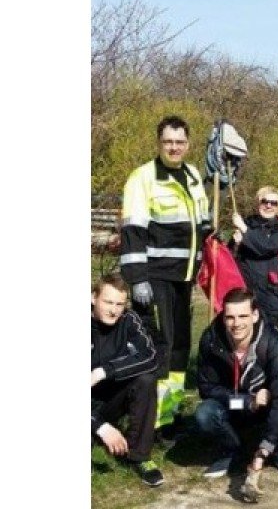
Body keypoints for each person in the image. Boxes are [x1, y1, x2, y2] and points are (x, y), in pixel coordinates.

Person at [120, 115, 211, 432]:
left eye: (180, 142)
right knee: (161, 345)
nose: (174, 147)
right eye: (168, 141)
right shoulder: (143, 178)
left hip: (184, 278)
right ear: (159, 143)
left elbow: (201, 222)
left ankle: (168, 415)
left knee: (181, 346)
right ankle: (149, 420)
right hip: (155, 276)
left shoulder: (194, 174)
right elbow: (132, 231)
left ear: (188, 144)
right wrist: (137, 278)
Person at [195, 288, 278, 490]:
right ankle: (231, 451)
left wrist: (265, 448)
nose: (236, 324)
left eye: (243, 316)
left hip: (266, 405)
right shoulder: (212, 340)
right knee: (205, 413)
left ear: (254, 315)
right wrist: (247, 401)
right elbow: (206, 388)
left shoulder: (272, 341)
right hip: (234, 403)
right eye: (230, 317)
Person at [91, 274, 162, 487]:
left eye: (120, 304)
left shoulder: (129, 320)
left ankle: (140, 456)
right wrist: (101, 427)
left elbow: (150, 356)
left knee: (146, 380)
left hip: (111, 400)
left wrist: (104, 371)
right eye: (108, 302)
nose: (114, 310)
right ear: (93, 298)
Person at [230, 186, 278, 333]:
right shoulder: (246, 223)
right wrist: (235, 244)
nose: (269, 205)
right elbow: (231, 258)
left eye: (274, 203)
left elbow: (267, 247)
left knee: (271, 338)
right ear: (258, 202)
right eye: (265, 201)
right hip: (247, 291)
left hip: (270, 293)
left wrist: (245, 231)